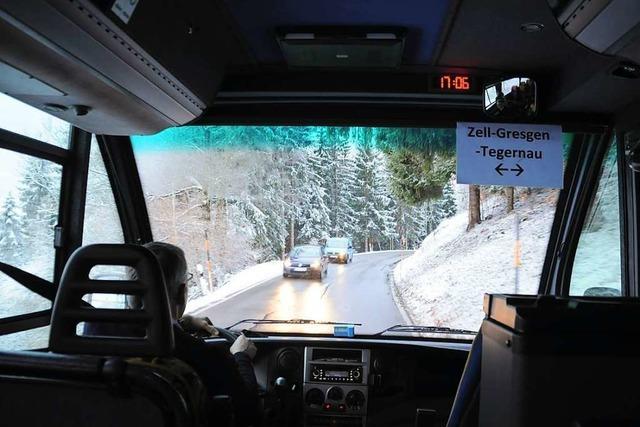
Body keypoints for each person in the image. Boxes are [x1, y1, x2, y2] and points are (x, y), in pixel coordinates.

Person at [85, 242, 260, 426]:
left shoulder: (91, 337)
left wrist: (182, 322)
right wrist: (242, 356)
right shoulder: (204, 357)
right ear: (181, 292)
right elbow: (248, 412)